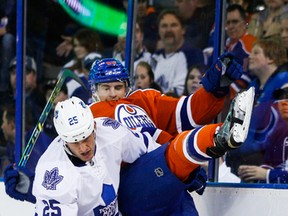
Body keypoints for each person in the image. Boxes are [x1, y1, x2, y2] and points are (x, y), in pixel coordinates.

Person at [4, 55, 245, 215]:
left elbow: (189, 113)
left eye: (118, 87)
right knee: (175, 150)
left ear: (127, 86)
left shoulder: (143, 101)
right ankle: (219, 135)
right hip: (132, 189)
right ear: (94, 91)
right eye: (105, 88)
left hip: (164, 177)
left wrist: (215, 88)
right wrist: (33, 184)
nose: (113, 94)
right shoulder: (89, 118)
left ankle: (212, 140)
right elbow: (69, 167)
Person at [226, 38, 288, 174]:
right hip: (245, 157)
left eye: (256, 53)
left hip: (269, 161)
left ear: (270, 58)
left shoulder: (284, 82)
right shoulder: (253, 86)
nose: (250, 56)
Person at [238, 84, 288, 183]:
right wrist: (252, 172)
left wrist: (267, 174)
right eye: (281, 97)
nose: (284, 102)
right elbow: (275, 166)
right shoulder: (279, 134)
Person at [152, 9, 204, 96]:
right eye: (164, 26)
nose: (168, 30)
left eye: (173, 25)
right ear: (158, 31)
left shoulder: (193, 55)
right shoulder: (155, 56)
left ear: (183, 30)